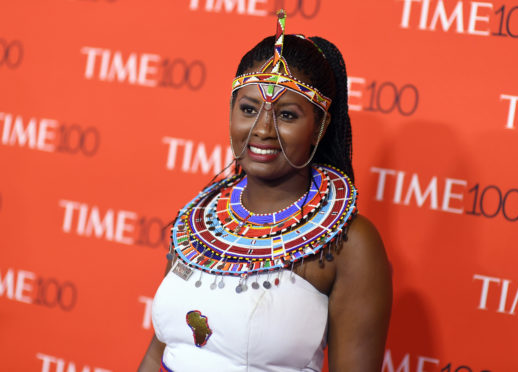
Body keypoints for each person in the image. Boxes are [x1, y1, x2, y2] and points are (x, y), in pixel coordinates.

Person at [139, 10, 392, 372]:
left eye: (286, 115)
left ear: (320, 126)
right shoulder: (200, 222)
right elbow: (157, 352)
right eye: (248, 109)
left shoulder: (350, 244)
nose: (262, 129)